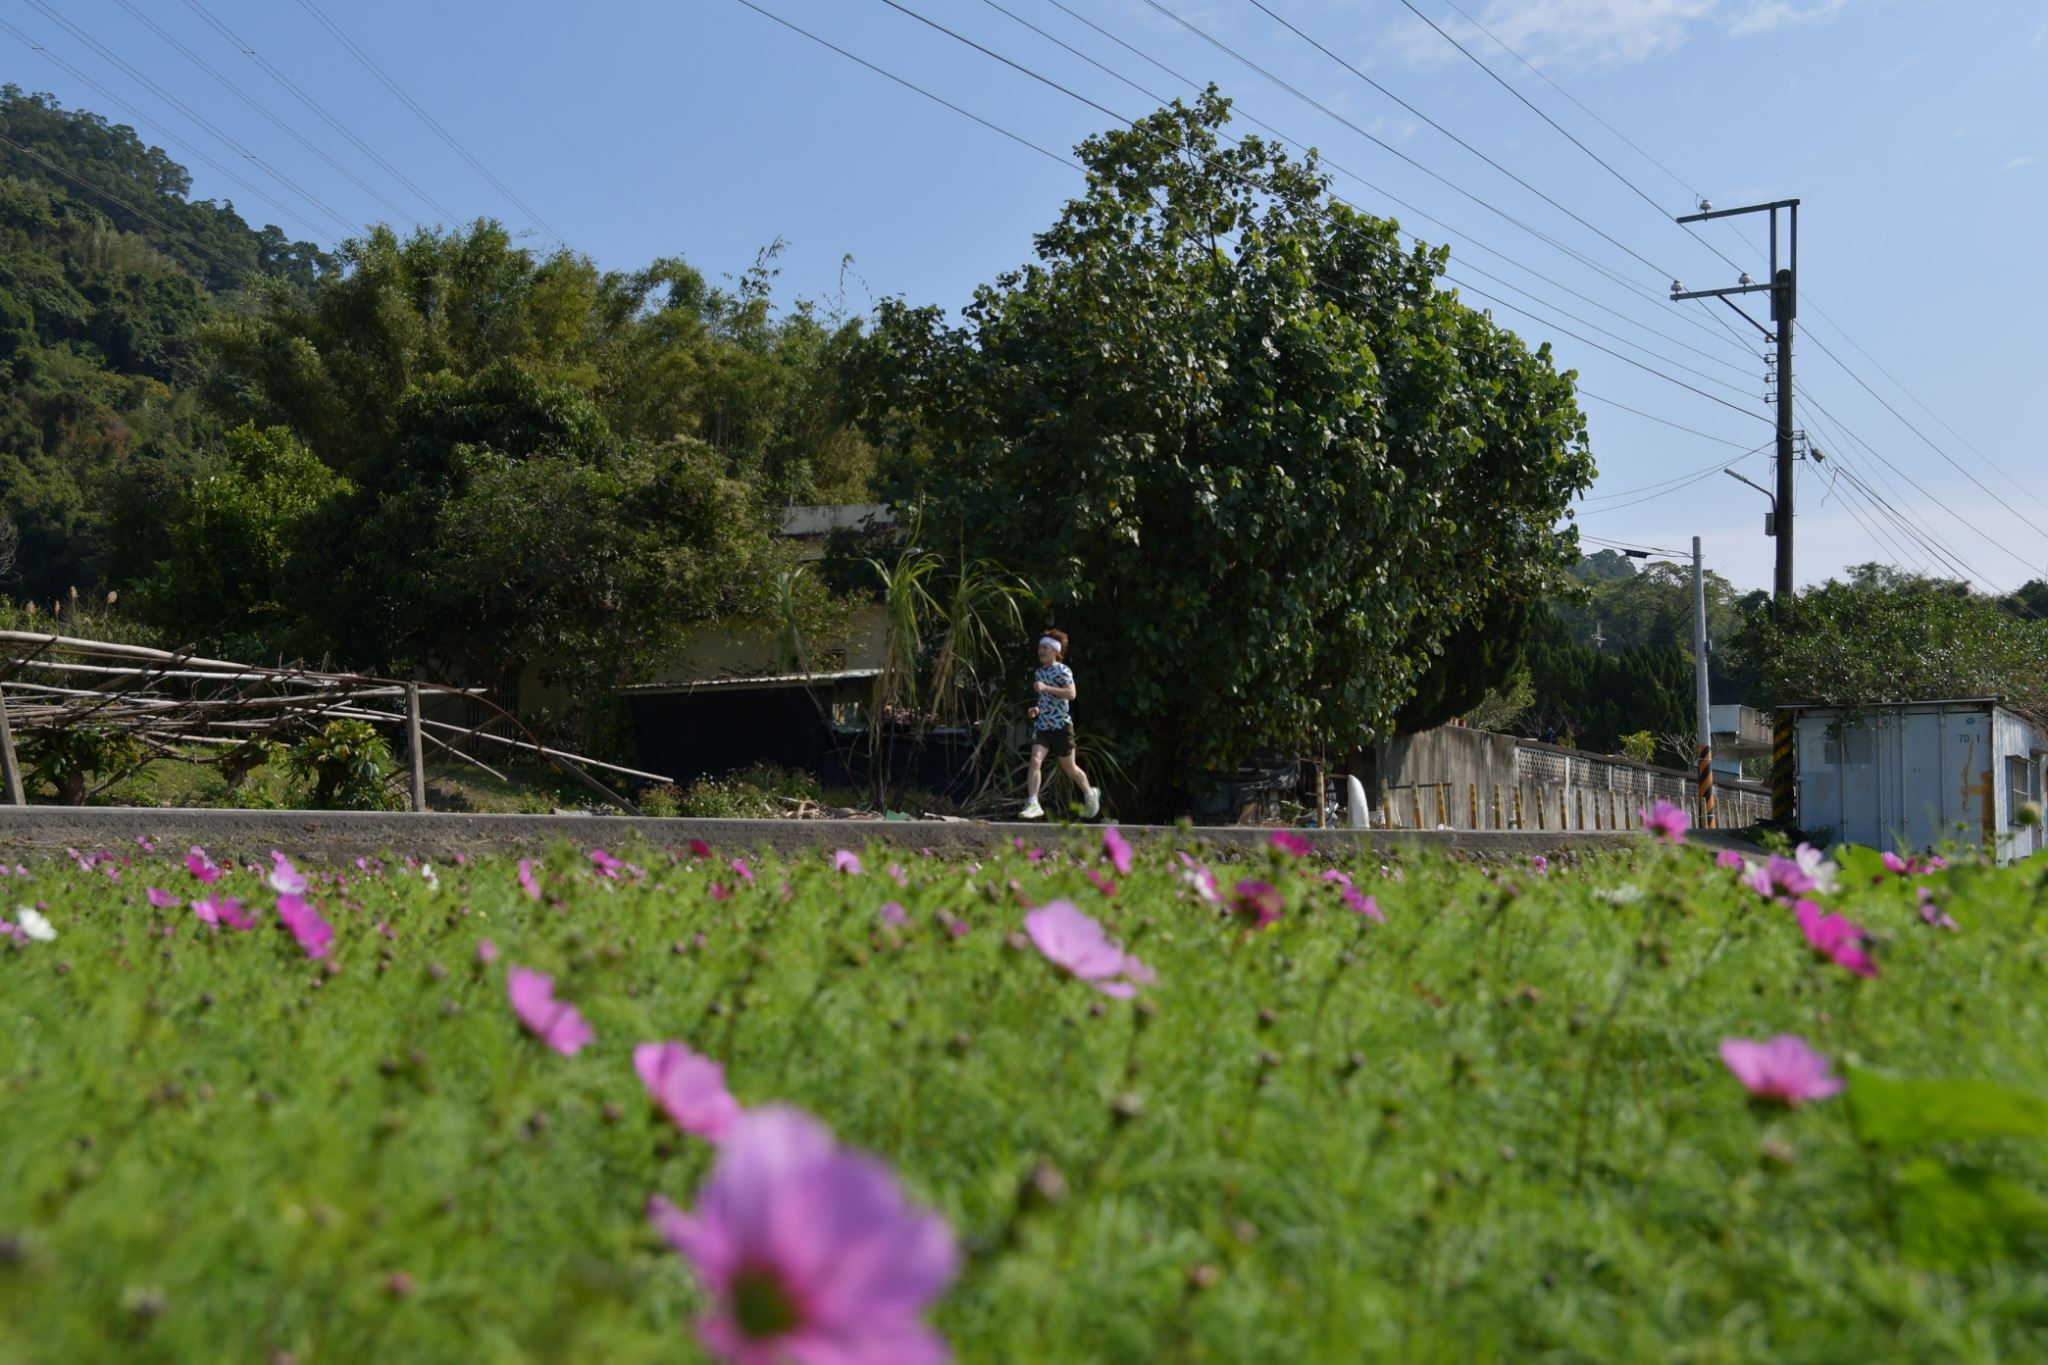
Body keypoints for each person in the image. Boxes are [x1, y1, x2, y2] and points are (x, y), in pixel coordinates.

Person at [1021, 629, 1098, 820]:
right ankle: (1033, 803)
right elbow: (1045, 700)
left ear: (1055, 651)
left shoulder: (1063, 670)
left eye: (1045, 647)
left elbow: (1071, 694)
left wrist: (1046, 687)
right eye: (1040, 647)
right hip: (1043, 726)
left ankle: (1090, 794)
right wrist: (1036, 709)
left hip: (1061, 726)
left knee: (1070, 768)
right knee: (1035, 760)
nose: (1041, 650)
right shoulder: (1039, 672)